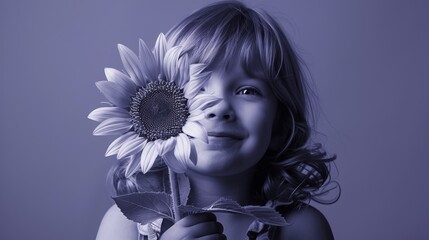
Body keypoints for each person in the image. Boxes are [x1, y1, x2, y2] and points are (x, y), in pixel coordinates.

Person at [96, 1, 339, 239]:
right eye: (198, 88)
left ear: (280, 126)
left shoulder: (298, 228)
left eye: (248, 91)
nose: (218, 108)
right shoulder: (126, 225)